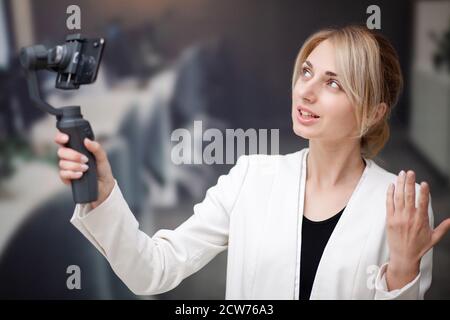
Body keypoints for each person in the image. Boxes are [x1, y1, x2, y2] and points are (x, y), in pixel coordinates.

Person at [54, 25, 450, 299]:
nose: (306, 91)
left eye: (333, 83)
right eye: (307, 72)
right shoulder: (251, 177)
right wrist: (105, 194)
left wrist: (401, 271)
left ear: (373, 112)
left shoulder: (402, 206)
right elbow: (153, 270)